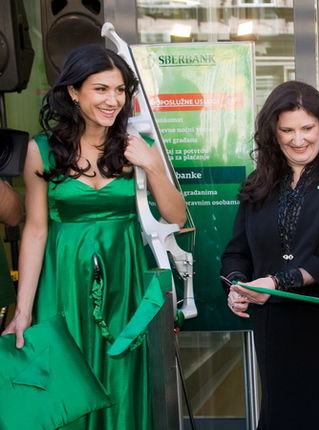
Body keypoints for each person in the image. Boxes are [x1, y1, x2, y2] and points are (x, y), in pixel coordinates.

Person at [1, 44, 187, 429]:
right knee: (69, 376)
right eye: (101, 89)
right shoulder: (42, 150)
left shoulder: (138, 147)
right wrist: (23, 311)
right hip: (64, 277)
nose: (113, 99)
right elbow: (35, 229)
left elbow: (176, 215)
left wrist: (152, 164)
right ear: (73, 91)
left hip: (126, 275)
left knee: (124, 376)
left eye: (119, 90)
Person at [221, 81, 319, 429]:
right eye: (287, 130)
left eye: (307, 128)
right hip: (276, 322)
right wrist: (236, 286)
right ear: (273, 133)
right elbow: (236, 251)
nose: (298, 139)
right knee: (283, 413)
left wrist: (278, 282)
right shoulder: (256, 183)